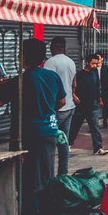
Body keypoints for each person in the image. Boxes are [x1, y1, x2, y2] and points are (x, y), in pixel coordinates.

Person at [0, 39, 65, 215]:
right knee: (45, 180)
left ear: (24, 57)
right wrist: (45, 113)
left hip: (27, 138)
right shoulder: (52, 77)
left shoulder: (19, 81)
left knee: (29, 186)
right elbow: (61, 101)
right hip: (50, 134)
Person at [43, 36, 77, 175]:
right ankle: (63, 174)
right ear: (64, 47)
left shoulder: (50, 63)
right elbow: (74, 84)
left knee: (49, 143)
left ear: (52, 47)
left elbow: (48, 86)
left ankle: (49, 176)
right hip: (70, 107)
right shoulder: (71, 62)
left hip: (57, 108)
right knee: (64, 142)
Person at [69, 53, 108, 155]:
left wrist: (99, 99)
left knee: (95, 127)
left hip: (93, 106)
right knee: (75, 126)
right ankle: (68, 144)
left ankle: (98, 147)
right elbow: (72, 87)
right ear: (87, 63)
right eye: (93, 63)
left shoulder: (95, 73)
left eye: (96, 63)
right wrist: (73, 95)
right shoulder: (79, 75)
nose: (95, 66)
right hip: (81, 106)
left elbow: (97, 87)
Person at [97, 52, 108, 129]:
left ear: (102, 59)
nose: (97, 60)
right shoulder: (93, 68)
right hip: (95, 91)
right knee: (95, 107)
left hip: (104, 90)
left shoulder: (106, 69)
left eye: (98, 58)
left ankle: (105, 121)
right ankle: (94, 123)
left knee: (105, 106)